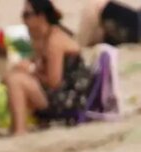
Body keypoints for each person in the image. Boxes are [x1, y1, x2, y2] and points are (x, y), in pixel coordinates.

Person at [5, 0, 92, 135]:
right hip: (60, 94)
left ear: (41, 17)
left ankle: (20, 130)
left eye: (27, 15)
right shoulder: (43, 38)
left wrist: (31, 70)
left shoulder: (54, 41)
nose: (24, 20)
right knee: (13, 76)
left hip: (68, 98)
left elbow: (54, 82)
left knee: (16, 81)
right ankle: (16, 127)